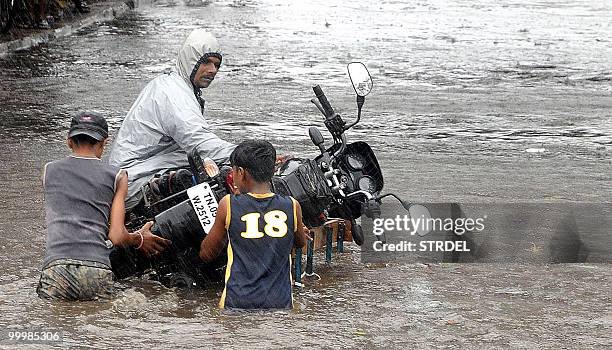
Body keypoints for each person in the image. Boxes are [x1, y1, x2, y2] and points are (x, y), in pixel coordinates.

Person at [37, 112, 171, 301]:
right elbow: (116, 236)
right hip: (96, 268)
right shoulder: (117, 176)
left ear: (68, 141)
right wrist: (139, 238)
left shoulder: (48, 171)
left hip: (57, 268)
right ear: (103, 143)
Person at [108, 29, 236, 210]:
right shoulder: (173, 94)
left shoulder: (178, 86)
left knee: (210, 165)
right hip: (133, 182)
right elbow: (199, 142)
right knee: (213, 166)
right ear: (190, 60)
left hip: (141, 171)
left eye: (217, 65)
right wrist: (248, 155)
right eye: (206, 62)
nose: (212, 70)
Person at [199, 140, 309, 310]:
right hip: (279, 305)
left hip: (237, 305)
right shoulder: (292, 206)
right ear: (273, 171)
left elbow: (207, 253)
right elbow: (301, 242)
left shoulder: (228, 205)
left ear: (241, 173)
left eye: (233, 170)